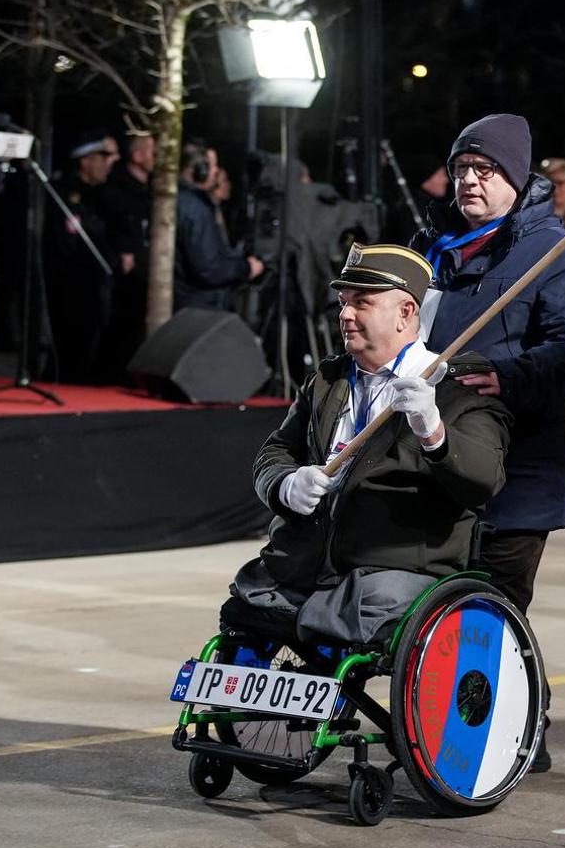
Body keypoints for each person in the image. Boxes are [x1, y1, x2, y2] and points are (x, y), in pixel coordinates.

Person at [411, 113, 565, 774]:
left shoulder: (555, 249)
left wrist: (508, 377)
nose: (469, 181)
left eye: (484, 171)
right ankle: (457, 725)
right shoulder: (434, 245)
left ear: (516, 180)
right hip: (440, 457)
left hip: (518, 468)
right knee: (437, 602)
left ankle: (515, 732)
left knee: (493, 604)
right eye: (462, 169)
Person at [229, 243, 511, 646]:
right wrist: (285, 484)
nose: (344, 314)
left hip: (394, 572)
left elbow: (484, 481)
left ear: (406, 313)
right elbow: (275, 453)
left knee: (349, 615)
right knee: (247, 604)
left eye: (362, 303)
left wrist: (433, 430)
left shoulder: (459, 388)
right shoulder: (326, 380)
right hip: (304, 566)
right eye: (343, 302)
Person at [44, 138, 123, 384]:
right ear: (85, 160)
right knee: (70, 333)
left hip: (98, 275)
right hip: (70, 277)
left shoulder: (105, 194)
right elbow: (67, 237)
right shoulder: (65, 191)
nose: (108, 164)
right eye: (102, 158)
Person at [175, 139, 264, 311]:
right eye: (213, 166)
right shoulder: (195, 210)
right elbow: (209, 269)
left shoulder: (182, 200)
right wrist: (246, 267)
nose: (216, 171)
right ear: (199, 170)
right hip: (199, 305)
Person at [93, 132, 154, 381]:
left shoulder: (151, 190)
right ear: (137, 155)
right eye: (152, 151)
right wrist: (124, 250)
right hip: (123, 271)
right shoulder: (116, 188)